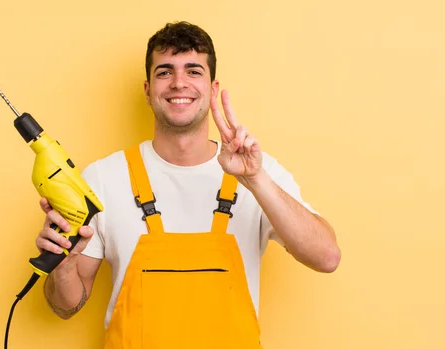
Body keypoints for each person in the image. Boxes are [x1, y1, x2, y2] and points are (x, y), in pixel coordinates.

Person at [36, 21, 341, 348]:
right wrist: (64, 267)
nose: (179, 83)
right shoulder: (103, 179)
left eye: (193, 71)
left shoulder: (258, 174)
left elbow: (326, 257)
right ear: (148, 89)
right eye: (164, 72)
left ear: (212, 89)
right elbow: (66, 306)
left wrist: (255, 180)